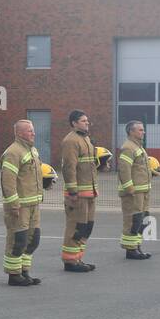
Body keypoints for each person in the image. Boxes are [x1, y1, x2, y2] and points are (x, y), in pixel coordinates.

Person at [0, 119, 44, 286]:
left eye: (33, 130)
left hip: (34, 204)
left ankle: (24, 271)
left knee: (33, 239)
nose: (33, 133)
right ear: (19, 133)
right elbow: (8, 181)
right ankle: (14, 275)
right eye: (29, 131)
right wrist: (13, 204)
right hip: (20, 207)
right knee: (18, 240)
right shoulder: (13, 152)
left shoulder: (33, 150)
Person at [59, 110, 99, 273]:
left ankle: (78, 258)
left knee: (85, 228)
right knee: (75, 227)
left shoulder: (85, 139)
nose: (87, 123)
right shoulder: (71, 141)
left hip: (89, 193)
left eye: (87, 120)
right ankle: (70, 261)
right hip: (78, 195)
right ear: (74, 123)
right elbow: (69, 167)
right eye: (83, 121)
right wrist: (73, 191)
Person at [117, 120, 153, 260]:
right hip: (133, 193)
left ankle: (136, 246)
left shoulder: (137, 146)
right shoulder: (128, 147)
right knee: (132, 220)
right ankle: (130, 250)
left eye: (143, 129)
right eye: (140, 130)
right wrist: (129, 187)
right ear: (131, 132)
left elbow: (138, 167)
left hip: (142, 191)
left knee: (140, 220)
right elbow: (124, 169)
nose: (143, 132)